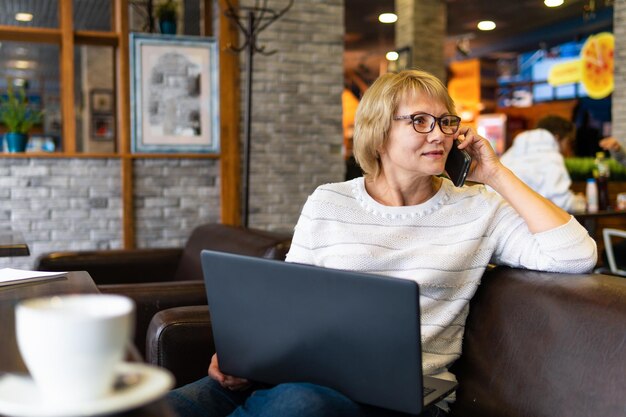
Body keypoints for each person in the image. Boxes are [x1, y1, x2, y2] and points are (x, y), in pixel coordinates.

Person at [166, 69, 597, 417]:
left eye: (446, 121)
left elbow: (576, 255)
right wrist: (248, 356)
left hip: (391, 401)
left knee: (300, 405)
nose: (438, 135)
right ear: (377, 130)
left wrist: (498, 175)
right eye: (420, 121)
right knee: (150, 405)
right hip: (296, 377)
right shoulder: (329, 200)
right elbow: (287, 301)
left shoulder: (479, 208)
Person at [499, 115, 576, 211]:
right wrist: (579, 202)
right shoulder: (552, 157)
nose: (567, 149)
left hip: (501, 217)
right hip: (527, 220)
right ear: (557, 138)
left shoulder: (509, 154)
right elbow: (561, 202)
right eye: (568, 142)